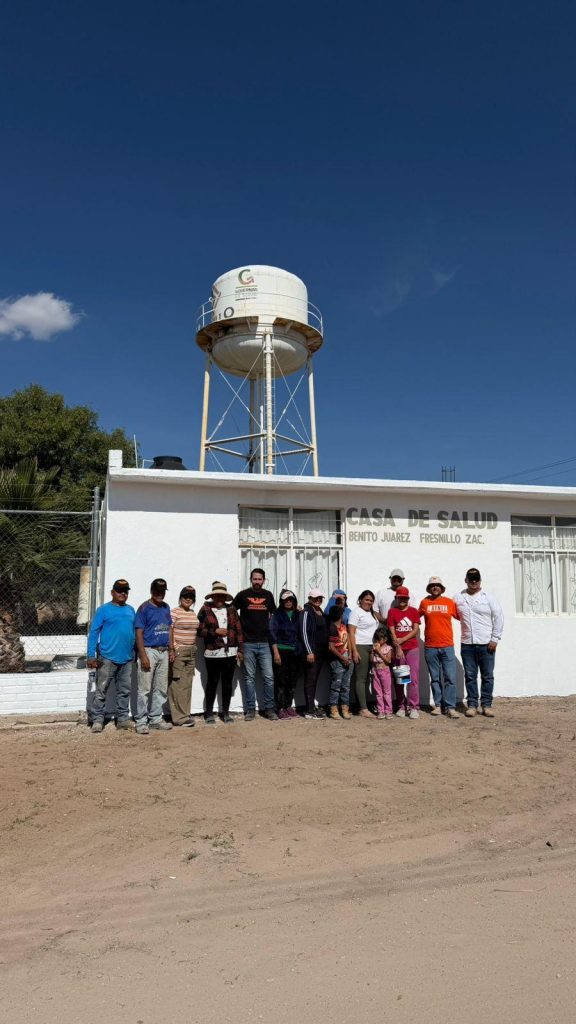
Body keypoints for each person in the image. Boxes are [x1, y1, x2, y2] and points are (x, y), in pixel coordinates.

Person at [453, 568, 504, 718]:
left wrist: (495, 638)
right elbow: (453, 613)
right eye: (471, 579)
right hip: (467, 643)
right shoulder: (458, 597)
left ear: (480, 580)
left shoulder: (489, 598)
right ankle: (472, 705)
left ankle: (486, 705)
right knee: (470, 676)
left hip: (486, 643)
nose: (474, 582)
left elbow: (499, 617)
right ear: (466, 580)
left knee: (487, 676)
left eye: (476, 579)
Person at [87, 578, 135, 733]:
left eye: (125, 591)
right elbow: (93, 633)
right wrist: (91, 655)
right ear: (112, 592)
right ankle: (98, 720)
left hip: (127, 658)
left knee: (124, 691)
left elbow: (133, 632)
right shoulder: (103, 610)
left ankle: (122, 719)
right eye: (119, 590)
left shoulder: (131, 610)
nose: (122, 593)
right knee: (101, 690)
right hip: (107, 657)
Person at [234, 569, 278, 721]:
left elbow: (276, 614)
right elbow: (232, 611)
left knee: (269, 677)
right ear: (250, 579)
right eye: (255, 579)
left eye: (260, 579)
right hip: (247, 643)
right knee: (249, 678)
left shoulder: (268, 595)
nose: (257, 581)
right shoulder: (243, 595)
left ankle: (269, 709)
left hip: (265, 643)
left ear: (264, 580)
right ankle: (250, 710)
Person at [197, 581, 243, 724]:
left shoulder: (232, 609)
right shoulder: (205, 609)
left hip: (230, 653)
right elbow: (198, 630)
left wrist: (241, 649)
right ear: (213, 596)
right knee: (212, 682)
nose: (219, 599)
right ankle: (209, 713)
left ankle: (225, 713)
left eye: (222, 596)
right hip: (212, 653)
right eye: (216, 596)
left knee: (227, 683)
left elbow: (239, 630)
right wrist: (214, 631)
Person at [418, 577, 460, 720]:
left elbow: (462, 617)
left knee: (450, 678)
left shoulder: (449, 602)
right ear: (429, 588)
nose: (435, 587)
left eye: (438, 585)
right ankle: (438, 705)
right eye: (432, 585)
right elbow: (415, 618)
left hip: (447, 646)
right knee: (435, 678)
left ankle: (450, 707)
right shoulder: (424, 602)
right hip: (430, 647)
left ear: (442, 588)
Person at [134, 578, 173, 734]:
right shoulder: (144, 608)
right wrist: (143, 655)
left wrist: (171, 649)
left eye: (162, 591)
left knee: (161, 688)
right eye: (157, 591)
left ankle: (156, 719)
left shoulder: (166, 607)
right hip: (149, 650)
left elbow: (169, 628)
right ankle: (141, 722)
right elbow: (139, 632)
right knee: (144, 689)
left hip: (164, 651)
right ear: (151, 591)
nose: (160, 594)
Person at [387, 586, 421, 719]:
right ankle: (401, 705)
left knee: (413, 679)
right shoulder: (392, 611)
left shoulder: (413, 611)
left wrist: (403, 640)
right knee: (401, 679)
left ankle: (413, 707)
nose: (402, 600)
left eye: (405, 598)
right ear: (396, 598)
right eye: (400, 598)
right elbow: (391, 630)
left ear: (408, 599)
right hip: (398, 649)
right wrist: (398, 647)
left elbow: (415, 630)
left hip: (412, 648)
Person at [168, 585, 199, 727]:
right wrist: (173, 648)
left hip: (191, 651)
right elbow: (170, 629)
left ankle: (185, 715)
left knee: (187, 684)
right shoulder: (174, 612)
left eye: (191, 597)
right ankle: (178, 718)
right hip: (179, 651)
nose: (188, 599)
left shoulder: (193, 613)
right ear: (180, 597)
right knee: (177, 684)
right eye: (185, 596)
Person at [348, 590, 379, 718]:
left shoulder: (371, 613)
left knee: (366, 678)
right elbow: (351, 633)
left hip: (371, 647)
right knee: (361, 678)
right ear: (360, 599)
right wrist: (354, 651)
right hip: (360, 646)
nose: (368, 602)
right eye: (366, 599)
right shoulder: (356, 612)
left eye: (371, 601)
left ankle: (362, 705)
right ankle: (363, 709)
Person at [299, 588, 329, 719]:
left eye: (320, 598)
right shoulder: (306, 612)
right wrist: (309, 651)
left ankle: (311, 707)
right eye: (315, 598)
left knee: (314, 680)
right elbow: (304, 632)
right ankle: (309, 711)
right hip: (312, 653)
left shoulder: (320, 611)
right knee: (310, 680)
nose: (318, 600)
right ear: (310, 599)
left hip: (321, 653)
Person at [270, 590, 300, 719]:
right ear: (281, 601)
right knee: (280, 680)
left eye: (290, 599)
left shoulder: (298, 614)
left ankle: (288, 706)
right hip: (281, 650)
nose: (288, 602)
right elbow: (272, 634)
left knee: (292, 680)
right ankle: (280, 708)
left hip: (295, 652)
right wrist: (276, 653)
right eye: (286, 600)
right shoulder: (276, 614)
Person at [327, 603, 353, 720]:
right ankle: (333, 708)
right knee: (336, 685)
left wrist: (351, 655)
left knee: (346, 685)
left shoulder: (343, 626)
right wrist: (343, 658)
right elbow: (331, 647)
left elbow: (349, 641)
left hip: (347, 657)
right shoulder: (332, 627)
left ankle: (344, 708)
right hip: (337, 659)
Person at [370, 625, 394, 720]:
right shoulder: (375, 648)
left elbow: (388, 661)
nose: (377, 641)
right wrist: (373, 652)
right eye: (376, 639)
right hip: (376, 671)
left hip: (385, 671)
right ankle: (381, 711)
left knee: (386, 692)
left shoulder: (388, 648)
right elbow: (371, 660)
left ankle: (388, 711)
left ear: (385, 639)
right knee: (378, 693)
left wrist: (379, 652)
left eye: (379, 639)